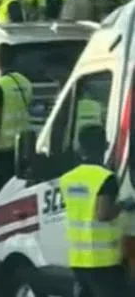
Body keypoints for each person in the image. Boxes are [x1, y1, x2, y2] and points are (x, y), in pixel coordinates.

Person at [58, 124, 131, 297]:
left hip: (78, 259)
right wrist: (124, 205)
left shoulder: (67, 178)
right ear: (105, 146)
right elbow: (103, 214)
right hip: (104, 261)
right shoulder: (105, 178)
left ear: (80, 147)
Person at [0, 46, 33, 189]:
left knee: (6, 188)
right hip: (23, 142)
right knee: (20, 187)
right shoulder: (25, 82)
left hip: (4, 145)